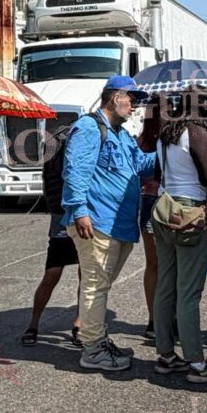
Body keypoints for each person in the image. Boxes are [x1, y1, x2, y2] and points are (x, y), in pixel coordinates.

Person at [61, 75, 157, 372]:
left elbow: (141, 165)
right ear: (116, 97)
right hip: (97, 222)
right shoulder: (90, 128)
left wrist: (170, 151)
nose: (135, 106)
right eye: (132, 99)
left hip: (116, 224)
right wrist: (79, 210)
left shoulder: (121, 133)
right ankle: (92, 350)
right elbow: (75, 170)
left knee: (100, 285)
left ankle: (97, 339)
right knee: (96, 285)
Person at [142, 88, 207, 379]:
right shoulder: (197, 133)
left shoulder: (166, 134)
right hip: (190, 214)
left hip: (164, 210)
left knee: (166, 285)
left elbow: (156, 173)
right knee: (188, 293)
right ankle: (196, 363)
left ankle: (165, 355)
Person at [25, 116, 81, 348]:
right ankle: (37, 324)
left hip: (65, 214)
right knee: (57, 274)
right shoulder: (65, 143)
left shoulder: (54, 142)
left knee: (69, 275)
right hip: (68, 216)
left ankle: (76, 323)